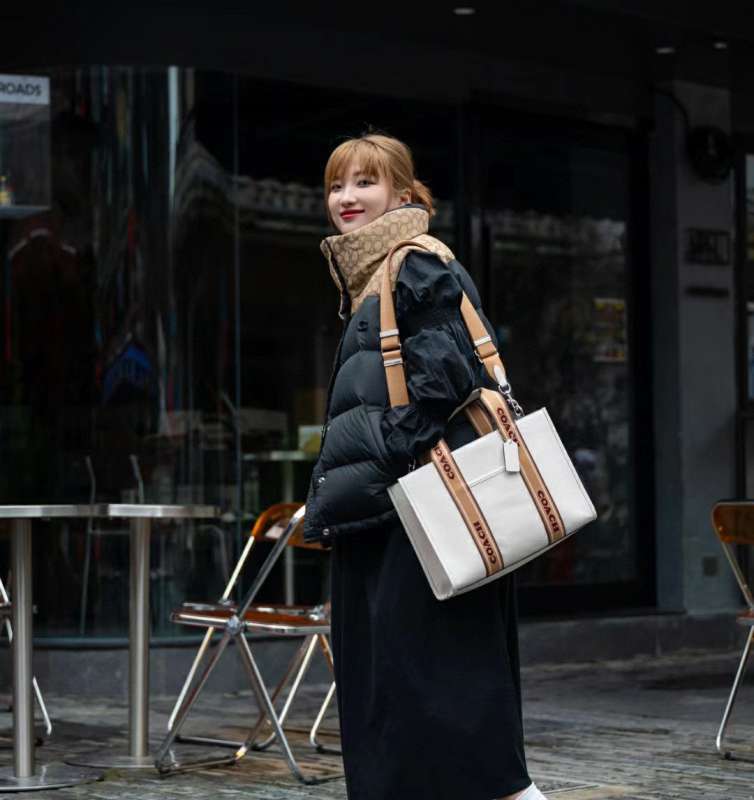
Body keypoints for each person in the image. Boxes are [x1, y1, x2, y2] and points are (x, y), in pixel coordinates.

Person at [303, 132, 545, 800]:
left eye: (365, 182)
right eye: (336, 185)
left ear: (404, 193)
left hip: (416, 514)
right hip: (384, 514)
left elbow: (447, 376)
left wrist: (385, 454)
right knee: (398, 687)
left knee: (430, 686)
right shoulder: (371, 277)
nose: (347, 198)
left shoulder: (412, 265)